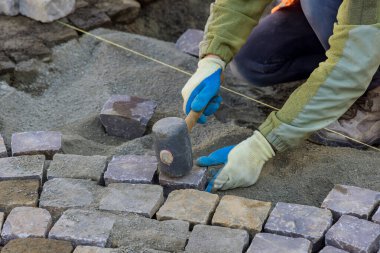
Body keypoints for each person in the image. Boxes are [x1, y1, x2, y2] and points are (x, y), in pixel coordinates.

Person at [181, 0, 380, 192]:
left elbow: (350, 67)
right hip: (353, 18)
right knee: (253, 60)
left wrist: (263, 146)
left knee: (321, 5)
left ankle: (373, 86)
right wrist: (213, 58)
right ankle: (341, 53)